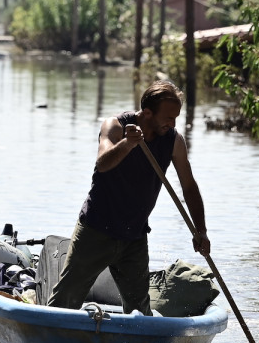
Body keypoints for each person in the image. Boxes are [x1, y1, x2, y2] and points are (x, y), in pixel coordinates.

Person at [47, 80, 209, 316]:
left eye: (176, 118)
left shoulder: (174, 141)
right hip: (96, 230)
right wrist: (128, 143)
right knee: (65, 302)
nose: (172, 124)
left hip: (134, 236)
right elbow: (103, 164)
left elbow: (189, 186)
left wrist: (201, 230)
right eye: (168, 118)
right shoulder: (115, 126)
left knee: (140, 313)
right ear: (147, 113)